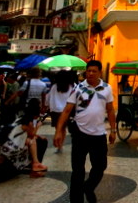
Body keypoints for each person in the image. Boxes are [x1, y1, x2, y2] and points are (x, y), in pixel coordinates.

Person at [54, 59, 116, 203]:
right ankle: (76, 200)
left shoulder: (106, 88)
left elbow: (110, 110)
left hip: (99, 134)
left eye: (94, 71)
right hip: (80, 133)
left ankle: (88, 187)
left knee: (100, 166)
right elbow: (66, 110)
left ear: (100, 72)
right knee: (78, 170)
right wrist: (58, 131)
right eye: (88, 71)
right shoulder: (78, 88)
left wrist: (113, 130)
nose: (91, 73)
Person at [47, 70, 76, 152]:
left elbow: (49, 98)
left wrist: (48, 106)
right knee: (63, 129)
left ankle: (59, 145)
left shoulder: (54, 87)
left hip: (55, 111)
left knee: (58, 128)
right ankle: (60, 145)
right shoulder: (72, 86)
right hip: (66, 111)